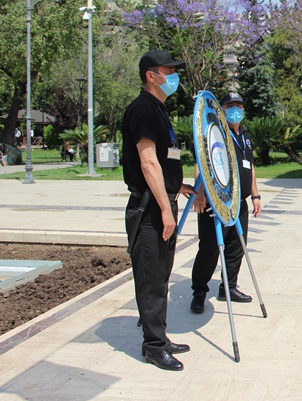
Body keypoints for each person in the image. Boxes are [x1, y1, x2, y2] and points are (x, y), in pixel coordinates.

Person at [122, 49, 195, 371]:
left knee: (162, 273)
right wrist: (166, 210)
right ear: (151, 75)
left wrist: (177, 187)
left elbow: (165, 161)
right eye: (169, 70)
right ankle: (153, 346)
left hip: (163, 200)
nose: (174, 76)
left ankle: (160, 336)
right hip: (149, 208)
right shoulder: (142, 109)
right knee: (151, 277)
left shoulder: (159, 110)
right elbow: (147, 162)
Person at [189, 92, 262, 314]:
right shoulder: (215, 133)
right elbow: (201, 162)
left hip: (239, 202)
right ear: (221, 108)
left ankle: (228, 288)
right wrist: (200, 192)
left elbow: (251, 166)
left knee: (236, 248)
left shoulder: (245, 137)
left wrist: (256, 195)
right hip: (216, 202)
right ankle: (199, 292)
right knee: (210, 249)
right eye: (230, 105)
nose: (235, 109)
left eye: (239, 105)